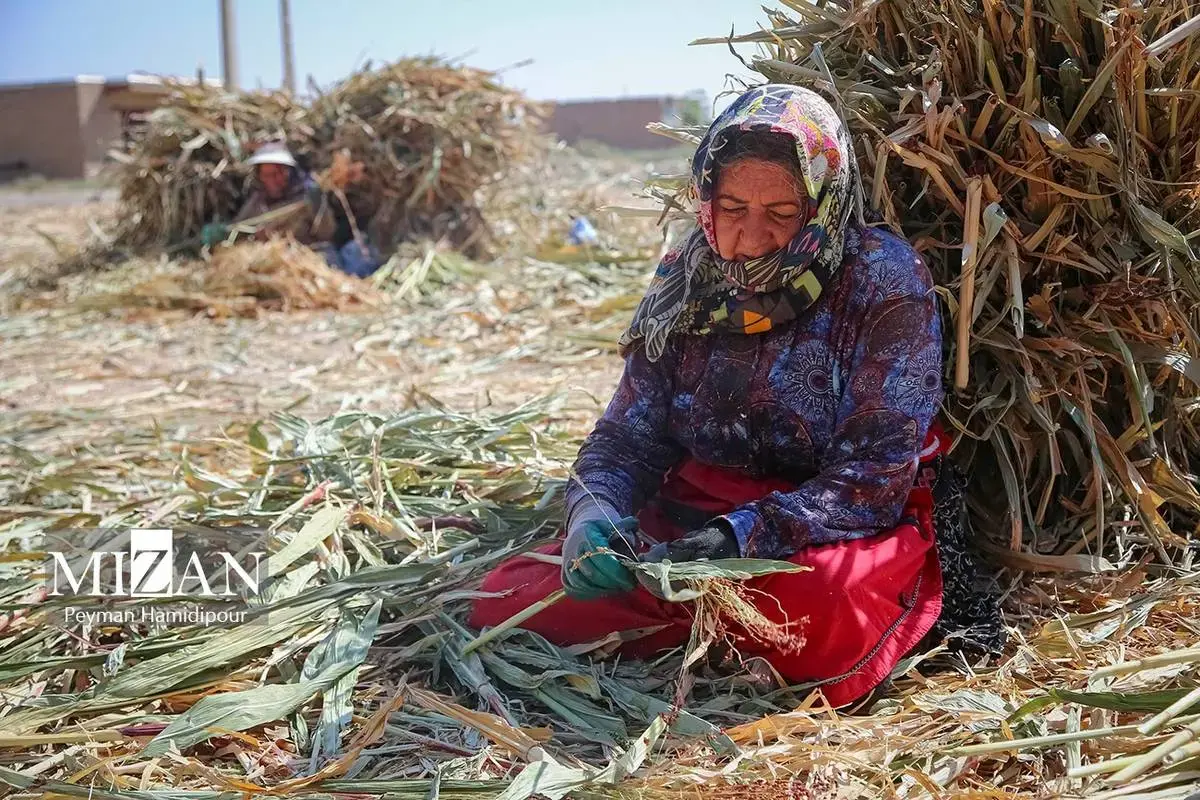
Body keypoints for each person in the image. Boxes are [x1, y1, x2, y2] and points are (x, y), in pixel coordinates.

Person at [469, 85, 1002, 708]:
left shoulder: (882, 281)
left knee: (826, 607)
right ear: (706, 201)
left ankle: (678, 620)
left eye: (782, 213)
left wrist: (735, 542)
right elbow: (627, 434)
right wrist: (596, 516)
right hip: (692, 512)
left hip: (824, 528)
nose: (751, 239)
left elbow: (871, 478)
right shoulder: (685, 277)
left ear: (824, 203)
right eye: (732, 207)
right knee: (506, 598)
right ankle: (692, 618)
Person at [202, 142, 382, 278]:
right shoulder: (258, 202)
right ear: (260, 176)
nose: (276, 179)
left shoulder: (307, 195)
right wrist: (225, 232)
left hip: (310, 256)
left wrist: (317, 204)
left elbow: (327, 233)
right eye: (269, 174)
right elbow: (239, 229)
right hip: (274, 263)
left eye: (281, 172)